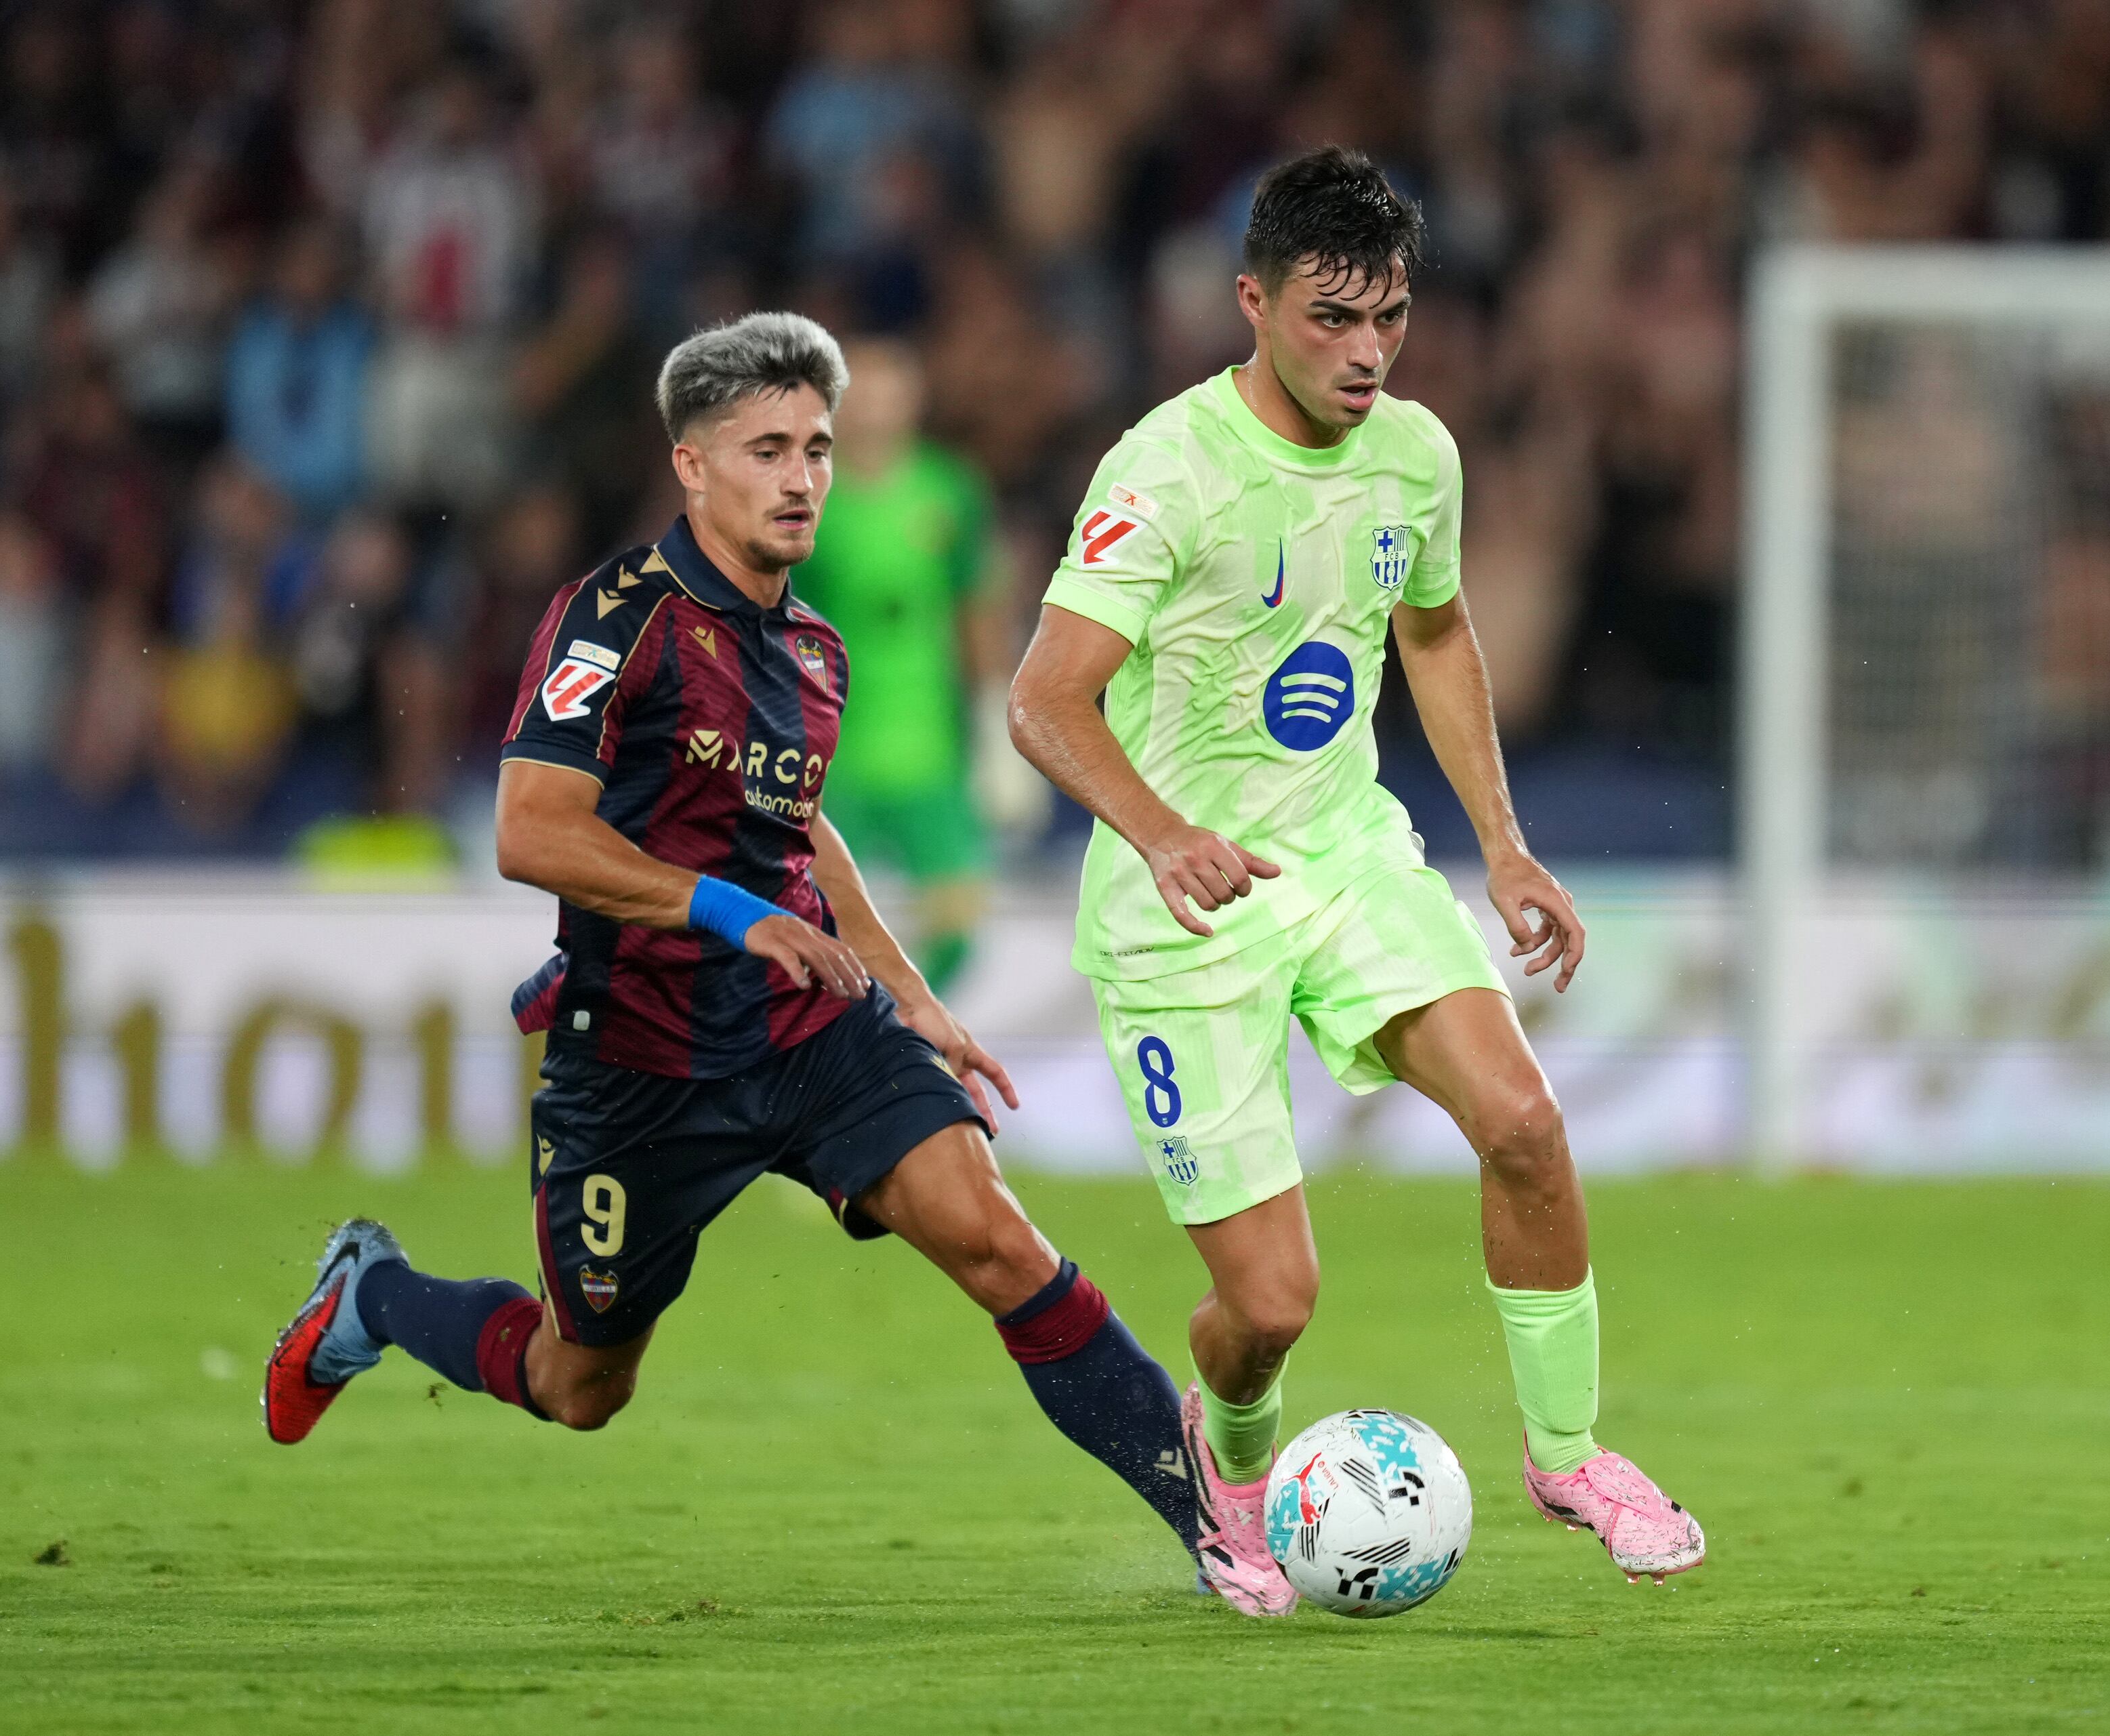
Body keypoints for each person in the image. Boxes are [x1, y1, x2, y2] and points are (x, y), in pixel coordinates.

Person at [263, 313, 1201, 1581]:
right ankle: (372, 1295)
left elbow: (797, 821)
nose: (806, 474)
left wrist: (907, 990)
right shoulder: (615, 618)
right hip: (642, 1060)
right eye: (768, 448)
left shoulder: (813, 650)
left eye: (816, 445)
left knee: (995, 1237)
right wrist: (728, 911)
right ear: (692, 466)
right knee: (582, 1381)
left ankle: (1212, 1528)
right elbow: (531, 832)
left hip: (812, 1033)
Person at [1008, 147, 1708, 1615]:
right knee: (1268, 1309)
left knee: (1522, 1119)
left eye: (1388, 317)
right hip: (1181, 911)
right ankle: (1229, 1454)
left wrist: (1504, 844)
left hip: (1345, 853)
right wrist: (1162, 832)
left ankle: (1570, 1457)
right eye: (1333, 319)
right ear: (1253, 303)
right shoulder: (1165, 469)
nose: (1367, 352)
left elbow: (1435, 634)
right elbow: (1045, 702)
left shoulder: (1418, 456)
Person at [787, 335, 1005, 990]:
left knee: (959, 926)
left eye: (892, 394)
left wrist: (996, 717)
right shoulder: (807, 495)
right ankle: (838, 1052)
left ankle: (910, 1034)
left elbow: (977, 607)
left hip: (930, 750)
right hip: (834, 753)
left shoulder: (950, 491)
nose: (879, 410)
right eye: (864, 396)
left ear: (914, 402)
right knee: (813, 918)